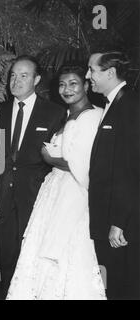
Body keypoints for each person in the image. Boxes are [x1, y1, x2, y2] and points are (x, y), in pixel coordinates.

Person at [6, 64, 106, 300]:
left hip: (73, 194)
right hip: (54, 191)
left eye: (73, 83)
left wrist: (50, 158)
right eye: (62, 84)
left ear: (86, 85)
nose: (66, 89)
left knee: (68, 254)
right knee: (42, 256)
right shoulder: (68, 115)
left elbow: (85, 167)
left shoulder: (93, 116)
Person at [0, 55, 66, 298]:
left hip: (36, 197)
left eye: (23, 75)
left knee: (33, 258)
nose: (16, 80)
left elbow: (60, 157)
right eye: (13, 75)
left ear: (36, 79)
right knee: (6, 257)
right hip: (2, 195)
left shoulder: (55, 112)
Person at [86, 51, 139, 300]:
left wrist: (119, 221)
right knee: (109, 283)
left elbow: (130, 168)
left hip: (118, 222)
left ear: (109, 73)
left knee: (121, 285)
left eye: (92, 70)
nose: (88, 76)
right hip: (106, 215)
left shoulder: (130, 105)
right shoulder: (113, 104)